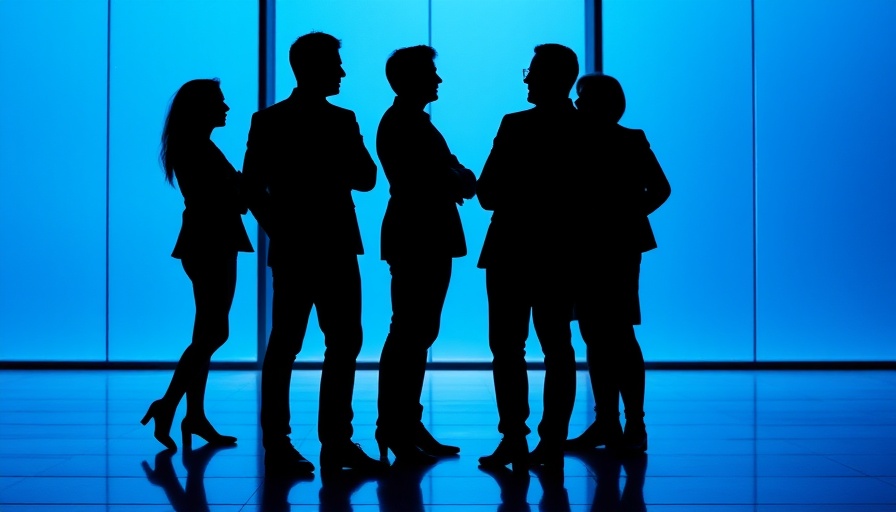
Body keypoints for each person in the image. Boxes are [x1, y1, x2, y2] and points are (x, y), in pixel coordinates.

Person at [240, 31, 383, 476]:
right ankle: (335, 440)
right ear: (314, 67)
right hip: (334, 244)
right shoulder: (342, 121)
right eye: (335, 64)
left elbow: (252, 188)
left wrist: (281, 229)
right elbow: (365, 178)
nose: (341, 72)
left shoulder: (269, 120)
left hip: (299, 247)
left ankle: (282, 442)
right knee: (337, 343)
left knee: (290, 343)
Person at [476, 44, 583, 471]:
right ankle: (552, 440)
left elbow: (487, 193)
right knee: (558, 346)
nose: (526, 79)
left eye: (532, 71)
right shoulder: (585, 130)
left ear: (548, 77)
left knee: (507, 347)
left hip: (510, 248)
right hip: (562, 252)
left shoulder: (515, 125)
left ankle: (514, 438)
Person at [374, 45, 475, 466]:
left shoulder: (409, 123)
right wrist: (452, 177)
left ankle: (401, 424)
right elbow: (453, 178)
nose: (439, 80)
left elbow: (458, 178)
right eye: (431, 73)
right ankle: (397, 425)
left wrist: (453, 177)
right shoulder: (407, 125)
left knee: (414, 332)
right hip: (422, 235)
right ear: (411, 79)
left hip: (418, 233)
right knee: (412, 333)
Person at [141, 78, 254, 452]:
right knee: (212, 333)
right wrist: (245, 187)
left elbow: (230, 195)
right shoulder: (200, 150)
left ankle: (192, 414)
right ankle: (171, 405)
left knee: (207, 331)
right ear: (202, 108)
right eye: (220, 102)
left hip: (206, 240)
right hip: (212, 241)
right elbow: (233, 199)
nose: (226, 108)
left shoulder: (195, 147)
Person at [564, 73, 670, 456]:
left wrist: (612, 216)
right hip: (619, 245)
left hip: (593, 245)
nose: (577, 104)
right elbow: (659, 190)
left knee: (604, 333)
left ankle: (617, 421)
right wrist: (626, 215)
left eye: (583, 97)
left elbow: (660, 188)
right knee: (610, 332)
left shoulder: (577, 141)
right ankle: (623, 422)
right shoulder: (629, 139)